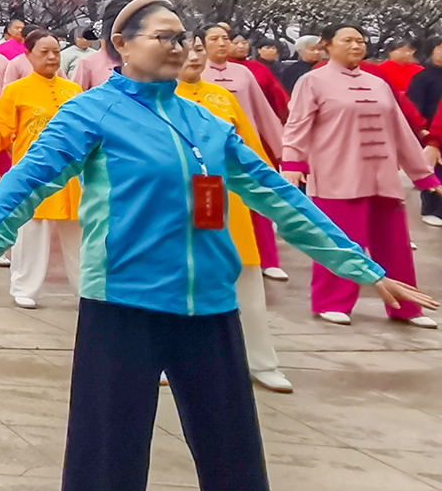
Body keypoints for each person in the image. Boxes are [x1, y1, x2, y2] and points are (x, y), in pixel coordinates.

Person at [0, 0, 433, 491]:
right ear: (121, 42)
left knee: (236, 458)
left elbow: (275, 195)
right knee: (109, 448)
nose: (181, 46)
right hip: (123, 305)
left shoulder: (206, 122)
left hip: (209, 309)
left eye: (184, 36)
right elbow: (32, 177)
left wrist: (360, 266)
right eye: (164, 36)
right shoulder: (90, 112)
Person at [279, 24, 440, 329]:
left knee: (395, 247)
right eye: (348, 40)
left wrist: (425, 177)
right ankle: (331, 302)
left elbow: (401, 133)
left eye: (360, 41)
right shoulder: (312, 81)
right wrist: (292, 166)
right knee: (340, 243)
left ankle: (407, 307)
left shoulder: (378, 84)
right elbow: (296, 127)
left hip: (382, 176)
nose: (356, 46)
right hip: (336, 176)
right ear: (328, 44)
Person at [176, 39, 292, 392]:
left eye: (198, 49)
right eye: (185, 49)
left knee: (246, 280)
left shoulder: (223, 98)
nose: (194, 56)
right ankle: (167, 360)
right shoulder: (156, 99)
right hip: (176, 205)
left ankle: (262, 362)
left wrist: (275, 192)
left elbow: (251, 153)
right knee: (178, 282)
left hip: (227, 203)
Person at [0, 31, 79, 309]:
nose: (51, 57)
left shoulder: (73, 91)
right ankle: (24, 287)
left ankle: (86, 289)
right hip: (34, 173)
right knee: (32, 231)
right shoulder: (17, 90)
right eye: (44, 52)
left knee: (77, 234)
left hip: (72, 173)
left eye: (56, 52)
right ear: (28, 55)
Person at [201, 23, 289, 282]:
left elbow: (263, 112)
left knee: (258, 201)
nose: (221, 43)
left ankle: (268, 260)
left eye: (225, 38)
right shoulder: (194, 72)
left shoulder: (244, 73)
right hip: (209, 151)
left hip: (244, 148)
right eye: (214, 39)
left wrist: (282, 151)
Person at [407, 39, 442, 227]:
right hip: (430, 129)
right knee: (433, 169)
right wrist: (422, 129)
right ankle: (432, 209)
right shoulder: (422, 77)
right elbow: (414, 105)